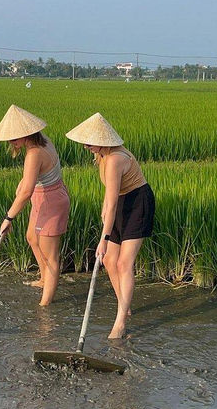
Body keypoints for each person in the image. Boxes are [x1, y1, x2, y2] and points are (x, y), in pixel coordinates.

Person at [66, 113, 155, 339]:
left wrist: (103, 239)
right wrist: (104, 213)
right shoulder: (101, 156)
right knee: (107, 260)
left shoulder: (115, 158)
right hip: (120, 202)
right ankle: (124, 304)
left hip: (137, 203)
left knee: (124, 263)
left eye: (89, 141)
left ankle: (121, 321)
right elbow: (109, 198)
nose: (85, 146)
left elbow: (115, 200)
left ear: (102, 140)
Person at [0, 105, 70, 306]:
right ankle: (44, 279)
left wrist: (8, 218)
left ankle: (45, 303)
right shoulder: (42, 142)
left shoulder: (35, 153)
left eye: (15, 138)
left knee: (50, 255)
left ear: (28, 134)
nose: (12, 143)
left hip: (51, 201)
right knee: (31, 238)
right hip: (41, 196)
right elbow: (34, 178)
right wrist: (24, 182)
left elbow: (26, 191)